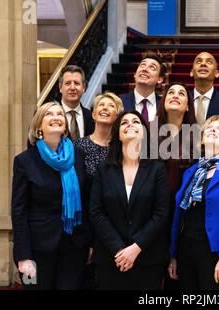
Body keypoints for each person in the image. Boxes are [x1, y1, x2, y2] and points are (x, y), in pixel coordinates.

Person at [11, 101, 92, 290]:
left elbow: (86, 202)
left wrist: (89, 242)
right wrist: (23, 256)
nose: (56, 117)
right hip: (37, 249)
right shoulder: (25, 161)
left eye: (60, 114)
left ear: (65, 124)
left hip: (74, 246)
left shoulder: (78, 156)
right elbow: (19, 211)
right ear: (39, 125)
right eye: (49, 114)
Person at [89, 111, 171, 290]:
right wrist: (119, 249)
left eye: (136, 121)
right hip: (111, 258)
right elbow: (96, 211)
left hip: (148, 258)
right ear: (118, 133)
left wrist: (136, 247)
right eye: (124, 122)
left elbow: (162, 213)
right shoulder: (104, 169)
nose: (130, 124)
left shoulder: (157, 168)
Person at [168, 115, 219, 290]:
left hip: (215, 252)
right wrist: (173, 255)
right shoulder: (190, 172)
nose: (213, 130)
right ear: (202, 138)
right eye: (209, 128)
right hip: (185, 249)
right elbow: (179, 215)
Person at [73, 91, 124, 289]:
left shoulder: (121, 150)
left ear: (118, 116)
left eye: (111, 106)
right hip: (85, 227)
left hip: (115, 230)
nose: (105, 108)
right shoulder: (78, 146)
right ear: (93, 114)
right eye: (101, 105)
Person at [153, 82, 197, 289]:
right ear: (163, 102)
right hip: (152, 214)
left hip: (182, 215)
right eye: (170, 92)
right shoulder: (148, 135)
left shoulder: (197, 139)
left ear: (189, 106)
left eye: (181, 93)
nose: (175, 95)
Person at [120, 54, 166, 124]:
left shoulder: (164, 105)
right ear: (135, 75)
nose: (144, 69)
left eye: (152, 68)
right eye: (142, 65)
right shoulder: (119, 102)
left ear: (159, 79)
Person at [58, 65, 95, 140]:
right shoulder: (45, 115)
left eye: (77, 83)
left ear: (83, 88)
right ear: (60, 87)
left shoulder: (92, 118)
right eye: (67, 83)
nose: (72, 88)